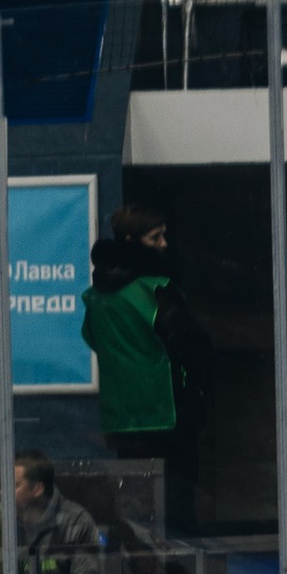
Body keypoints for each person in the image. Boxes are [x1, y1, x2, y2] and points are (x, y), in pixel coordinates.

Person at [83, 205, 203, 543]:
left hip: (121, 417)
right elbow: (189, 345)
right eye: (156, 237)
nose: (164, 244)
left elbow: (92, 339)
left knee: (136, 512)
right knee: (178, 507)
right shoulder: (156, 289)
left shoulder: (95, 297)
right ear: (133, 241)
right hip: (166, 410)